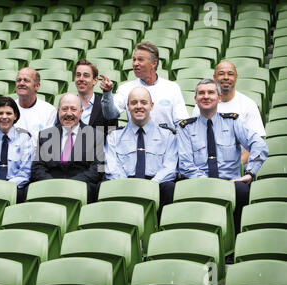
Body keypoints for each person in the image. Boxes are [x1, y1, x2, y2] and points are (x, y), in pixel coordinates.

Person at [178, 78, 268, 238]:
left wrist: (250, 173)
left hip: (230, 183)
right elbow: (185, 164)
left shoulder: (233, 122)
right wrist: (209, 183)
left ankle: (236, 243)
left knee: (242, 190)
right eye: (201, 93)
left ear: (219, 97)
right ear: (195, 99)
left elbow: (259, 145)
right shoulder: (186, 127)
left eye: (211, 92)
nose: (206, 96)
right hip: (198, 183)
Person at [105, 87, 177, 222]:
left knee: (170, 187)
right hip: (124, 186)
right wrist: (128, 187)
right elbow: (112, 167)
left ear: (151, 105)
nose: (139, 106)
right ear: (127, 106)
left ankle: (162, 230)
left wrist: (150, 186)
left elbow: (170, 167)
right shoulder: (114, 136)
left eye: (143, 102)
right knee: (103, 186)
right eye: (134, 103)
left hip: (156, 185)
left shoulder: (168, 135)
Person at [31, 93, 105, 203]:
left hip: (81, 189)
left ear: (81, 112)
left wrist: (71, 184)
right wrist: (52, 184)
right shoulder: (45, 135)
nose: (68, 113)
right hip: (50, 188)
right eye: (64, 109)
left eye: (73, 109)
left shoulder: (96, 135)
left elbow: (98, 169)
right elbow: (37, 167)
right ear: (58, 111)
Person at [100, 41, 189, 130]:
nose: (135, 64)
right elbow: (110, 115)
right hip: (136, 141)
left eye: (140, 60)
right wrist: (107, 93)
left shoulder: (172, 88)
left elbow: (181, 121)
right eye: (134, 59)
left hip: (167, 141)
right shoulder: (125, 88)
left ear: (154, 63)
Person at [191, 60, 266, 165]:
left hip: (239, 167)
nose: (226, 77)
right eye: (221, 74)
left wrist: (233, 167)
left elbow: (256, 143)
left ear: (236, 77)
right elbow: (195, 141)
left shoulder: (248, 105)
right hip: (205, 166)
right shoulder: (201, 106)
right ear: (214, 77)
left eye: (230, 74)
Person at [72, 59, 117, 136]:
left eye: (86, 75)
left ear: (95, 80)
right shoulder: (67, 106)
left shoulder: (106, 108)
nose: (81, 79)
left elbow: (113, 136)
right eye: (78, 75)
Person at [14, 67, 57, 147]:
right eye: (18, 80)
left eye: (26, 80)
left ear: (37, 86)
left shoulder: (49, 111)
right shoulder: (8, 109)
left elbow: (48, 145)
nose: (21, 83)